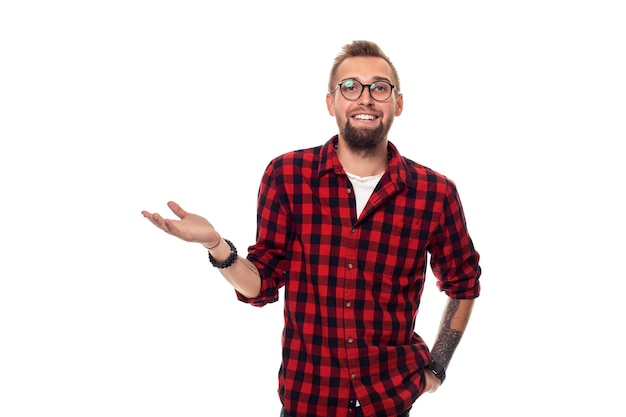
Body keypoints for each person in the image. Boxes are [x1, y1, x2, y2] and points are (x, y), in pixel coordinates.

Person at [142, 40, 481, 417]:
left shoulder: (434, 192)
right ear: (331, 102)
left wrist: (437, 367)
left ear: (397, 104)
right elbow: (262, 284)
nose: (365, 98)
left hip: (390, 400)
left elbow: (463, 282)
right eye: (350, 87)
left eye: (380, 87)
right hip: (309, 398)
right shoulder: (287, 176)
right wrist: (218, 246)